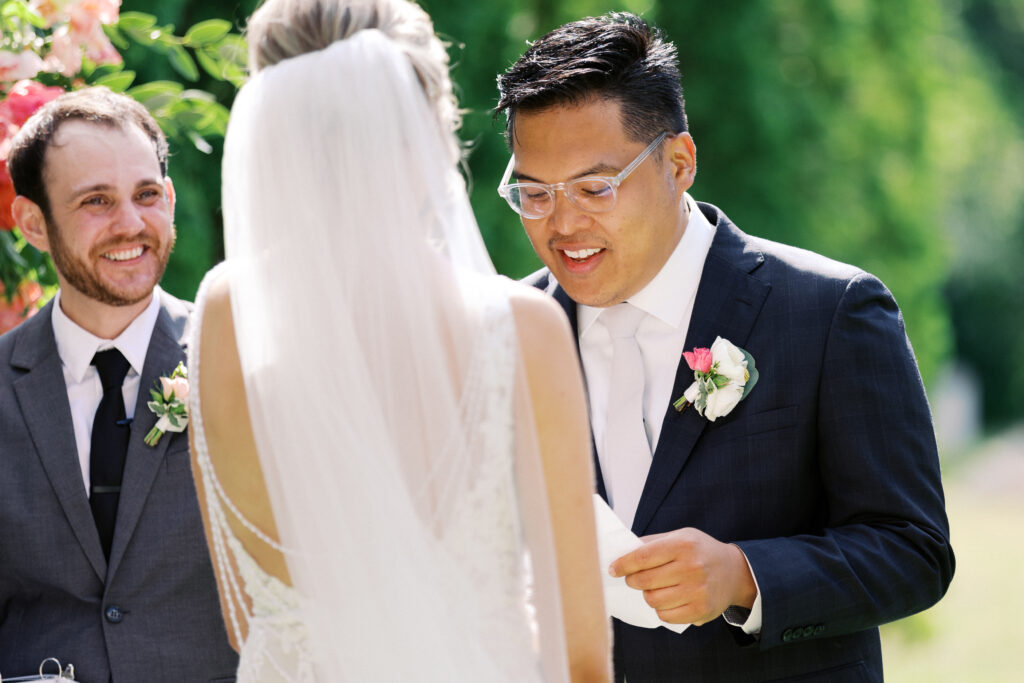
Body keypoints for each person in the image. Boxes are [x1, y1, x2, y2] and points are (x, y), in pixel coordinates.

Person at [496, 12, 954, 682]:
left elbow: (914, 551)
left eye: (594, 189)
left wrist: (744, 575)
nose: (562, 224)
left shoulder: (831, 312)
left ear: (678, 162)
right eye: (534, 194)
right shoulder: (508, 332)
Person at [187, 0, 610, 680]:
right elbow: (581, 656)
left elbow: (244, 617)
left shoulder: (223, 312)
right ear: (430, 130)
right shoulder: (521, 330)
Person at [0, 87, 237, 681]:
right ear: (33, 222)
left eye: (147, 194)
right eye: (96, 201)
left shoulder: (240, 364)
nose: (131, 223)